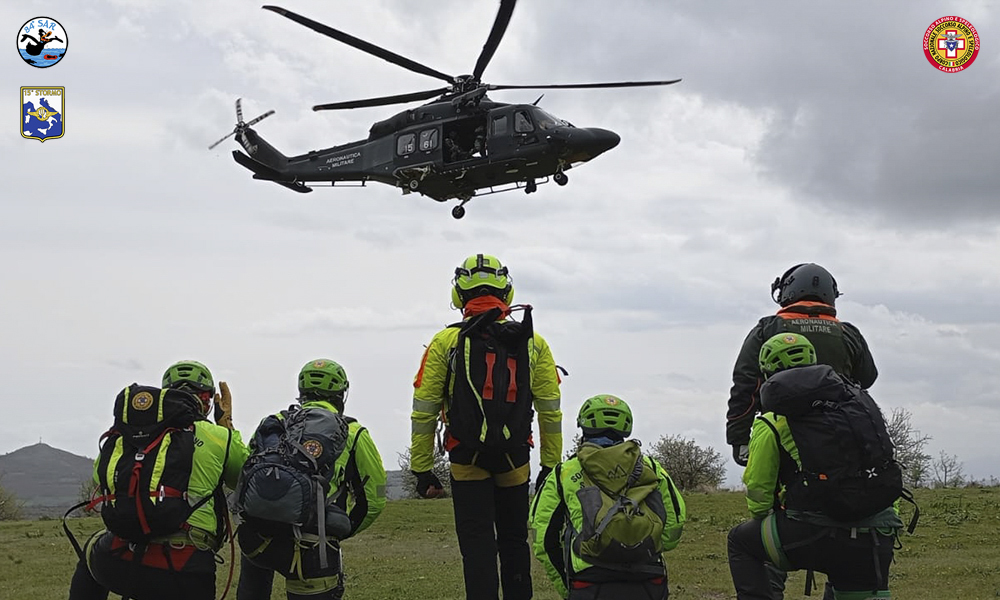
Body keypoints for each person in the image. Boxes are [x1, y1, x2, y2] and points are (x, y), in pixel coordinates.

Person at [410, 253, 562, 600]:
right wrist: (550, 465)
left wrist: (422, 470)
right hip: (515, 459)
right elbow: (550, 411)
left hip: (466, 457)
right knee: (514, 542)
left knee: (477, 545)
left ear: (458, 296)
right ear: (507, 293)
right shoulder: (534, 343)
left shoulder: (445, 343)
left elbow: (424, 411)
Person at [727, 333, 903, 600]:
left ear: (766, 372)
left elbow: (759, 493)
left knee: (741, 542)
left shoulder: (772, 419)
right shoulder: (857, 403)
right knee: (852, 584)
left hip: (809, 531)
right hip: (875, 533)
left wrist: (772, 514)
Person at [68, 360, 249, 600]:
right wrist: (226, 423)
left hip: (121, 557)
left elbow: (98, 476)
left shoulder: (128, 432)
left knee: (92, 550)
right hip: (188, 566)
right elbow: (242, 479)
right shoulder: (220, 436)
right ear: (206, 400)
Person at [236, 358, 387, 600]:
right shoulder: (354, 432)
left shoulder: (273, 423)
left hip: (258, 539)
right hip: (313, 543)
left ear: (301, 392)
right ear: (341, 393)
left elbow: (245, 471)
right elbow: (375, 499)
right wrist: (340, 530)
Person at [531, 395, 686, 600]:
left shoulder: (564, 473)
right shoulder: (650, 466)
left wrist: (568, 587)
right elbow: (675, 521)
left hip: (588, 581)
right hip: (649, 578)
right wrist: (642, 550)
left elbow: (543, 538)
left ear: (583, 427)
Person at [727, 263, 878, 466]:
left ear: (787, 291)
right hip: (840, 433)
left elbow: (746, 385)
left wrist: (739, 438)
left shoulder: (768, 329)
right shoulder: (848, 333)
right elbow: (867, 378)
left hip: (782, 436)